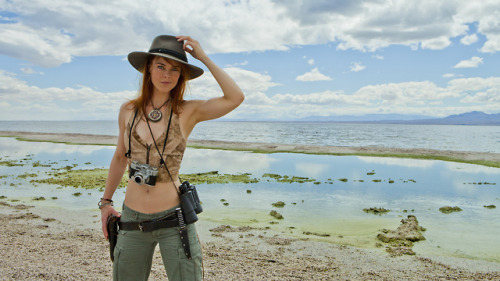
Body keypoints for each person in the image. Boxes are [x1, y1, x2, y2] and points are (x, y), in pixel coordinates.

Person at [99, 35, 244, 281]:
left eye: (175, 69)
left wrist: (204, 57)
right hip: (132, 220)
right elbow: (120, 158)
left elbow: (235, 97)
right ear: (148, 68)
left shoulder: (188, 111)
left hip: (174, 220)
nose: (167, 74)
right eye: (161, 66)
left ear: (181, 76)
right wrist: (105, 203)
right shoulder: (127, 110)